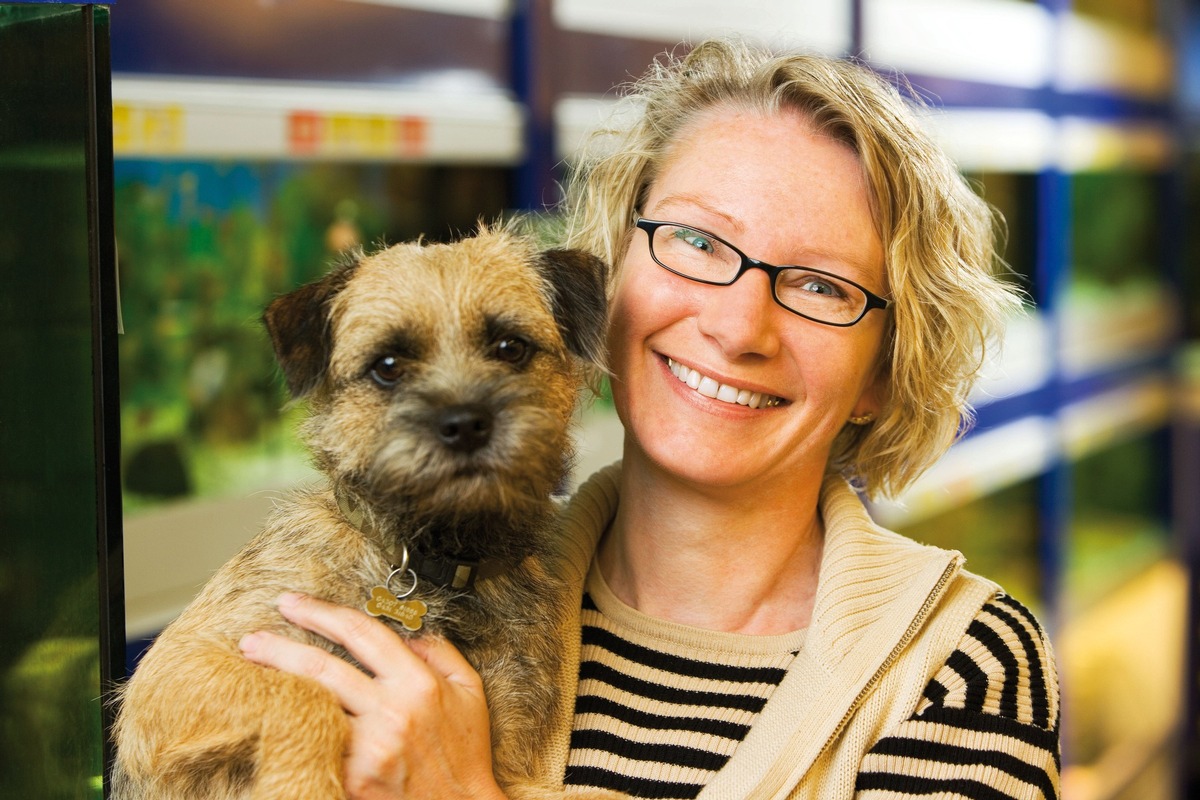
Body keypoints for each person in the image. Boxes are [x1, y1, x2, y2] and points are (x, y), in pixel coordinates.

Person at [239, 38, 1060, 799]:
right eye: (698, 242)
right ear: (611, 276)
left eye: (821, 285)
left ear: (886, 370)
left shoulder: (958, 664)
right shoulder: (434, 591)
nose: (739, 328)